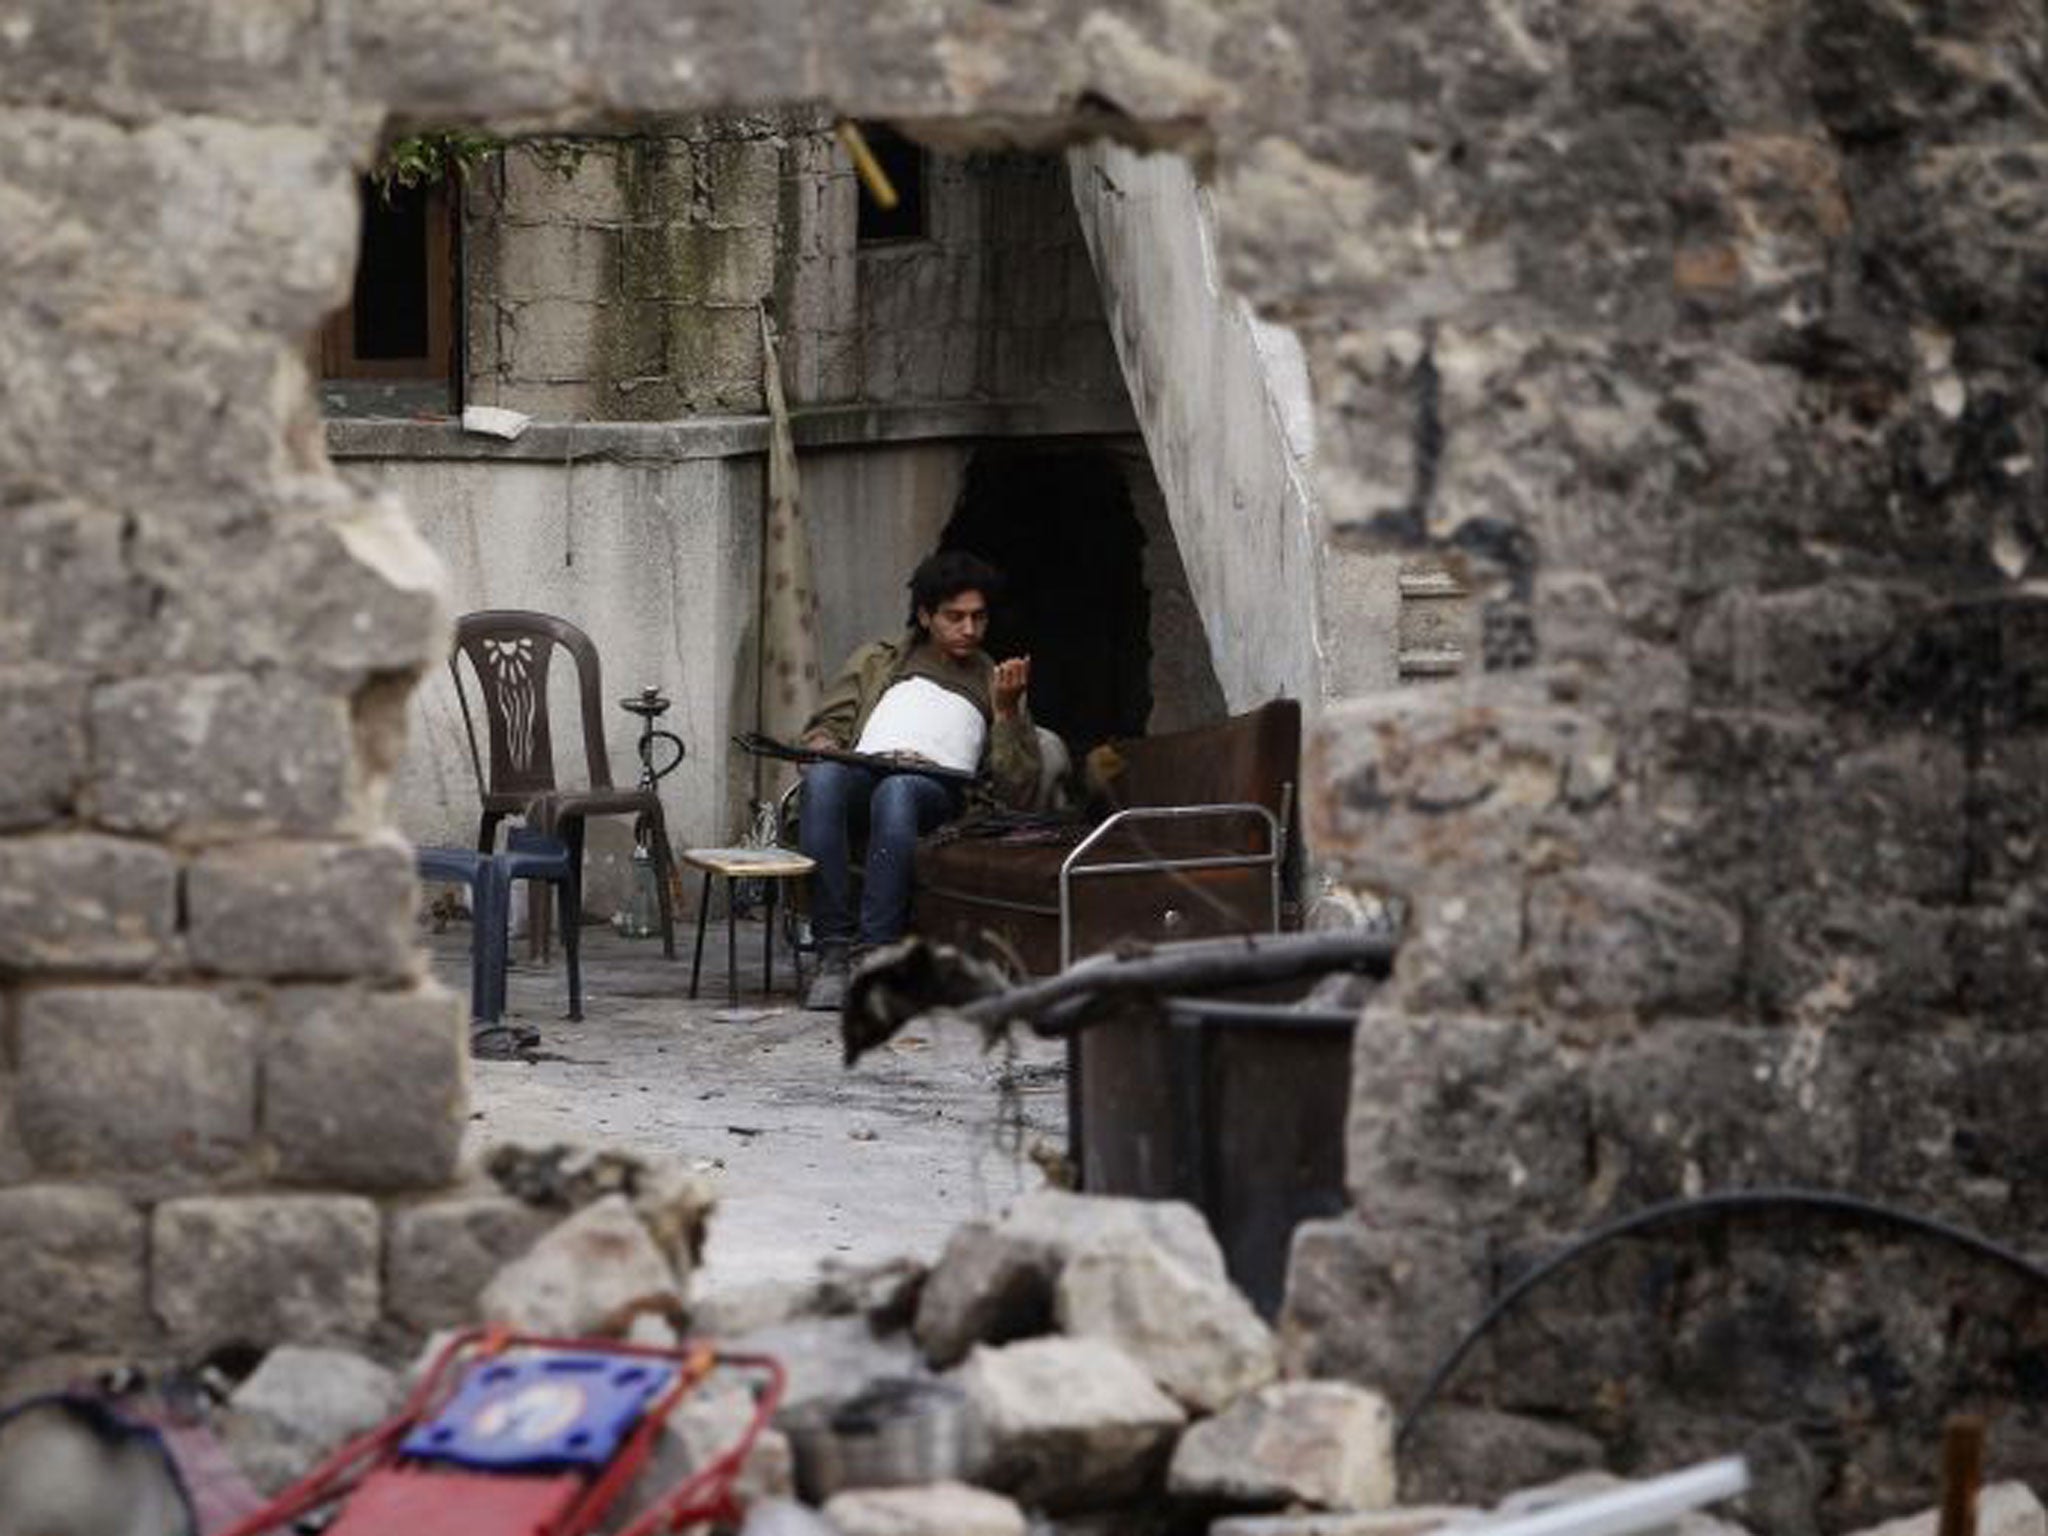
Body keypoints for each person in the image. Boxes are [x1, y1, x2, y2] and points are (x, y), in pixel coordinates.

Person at [797, 550, 1040, 1010]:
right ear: (926, 616)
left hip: (934, 788)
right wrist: (823, 741)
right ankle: (831, 951)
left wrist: (1007, 712)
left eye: (978, 617)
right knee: (824, 780)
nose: (969, 629)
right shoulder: (879, 660)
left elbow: (1017, 790)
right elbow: (830, 723)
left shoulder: (996, 680)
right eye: (955, 617)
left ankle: (877, 955)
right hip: (868, 767)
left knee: (899, 790)